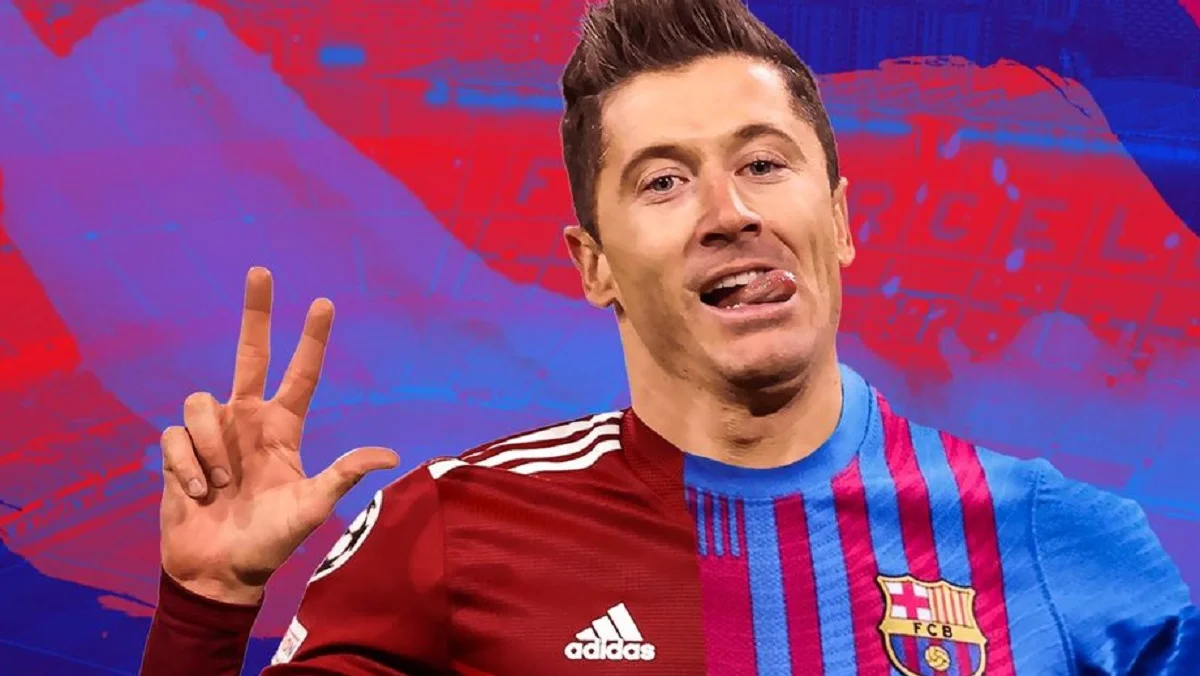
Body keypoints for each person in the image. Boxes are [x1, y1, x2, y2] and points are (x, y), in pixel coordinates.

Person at [139, 0, 1199, 673]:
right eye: (662, 181)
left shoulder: (1060, 540)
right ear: (592, 263)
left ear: (839, 219)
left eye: (764, 163)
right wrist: (206, 607)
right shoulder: (446, 533)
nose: (729, 211)